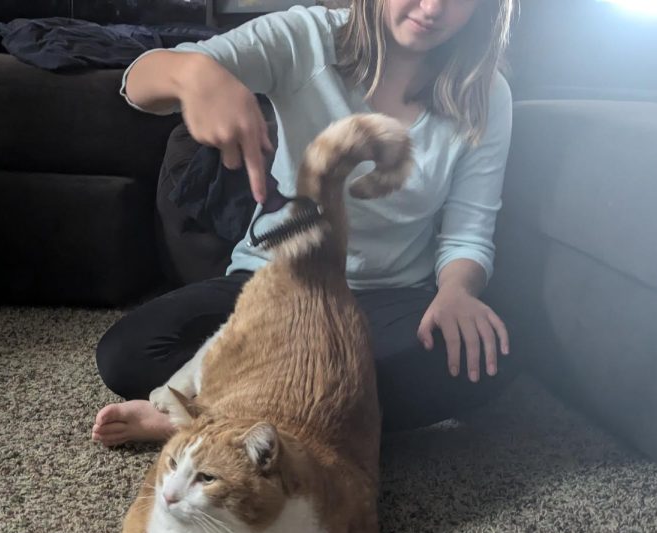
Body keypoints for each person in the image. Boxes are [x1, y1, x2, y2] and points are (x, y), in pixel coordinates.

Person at [93, 0, 516, 446]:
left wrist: (457, 291)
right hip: (270, 283)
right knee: (128, 354)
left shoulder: (487, 94)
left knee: (488, 362)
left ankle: (198, 418)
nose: (432, 8)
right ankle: (284, 420)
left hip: (388, 299)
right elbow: (138, 83)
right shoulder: (306, 37)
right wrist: (194, 74)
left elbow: (469, 232)